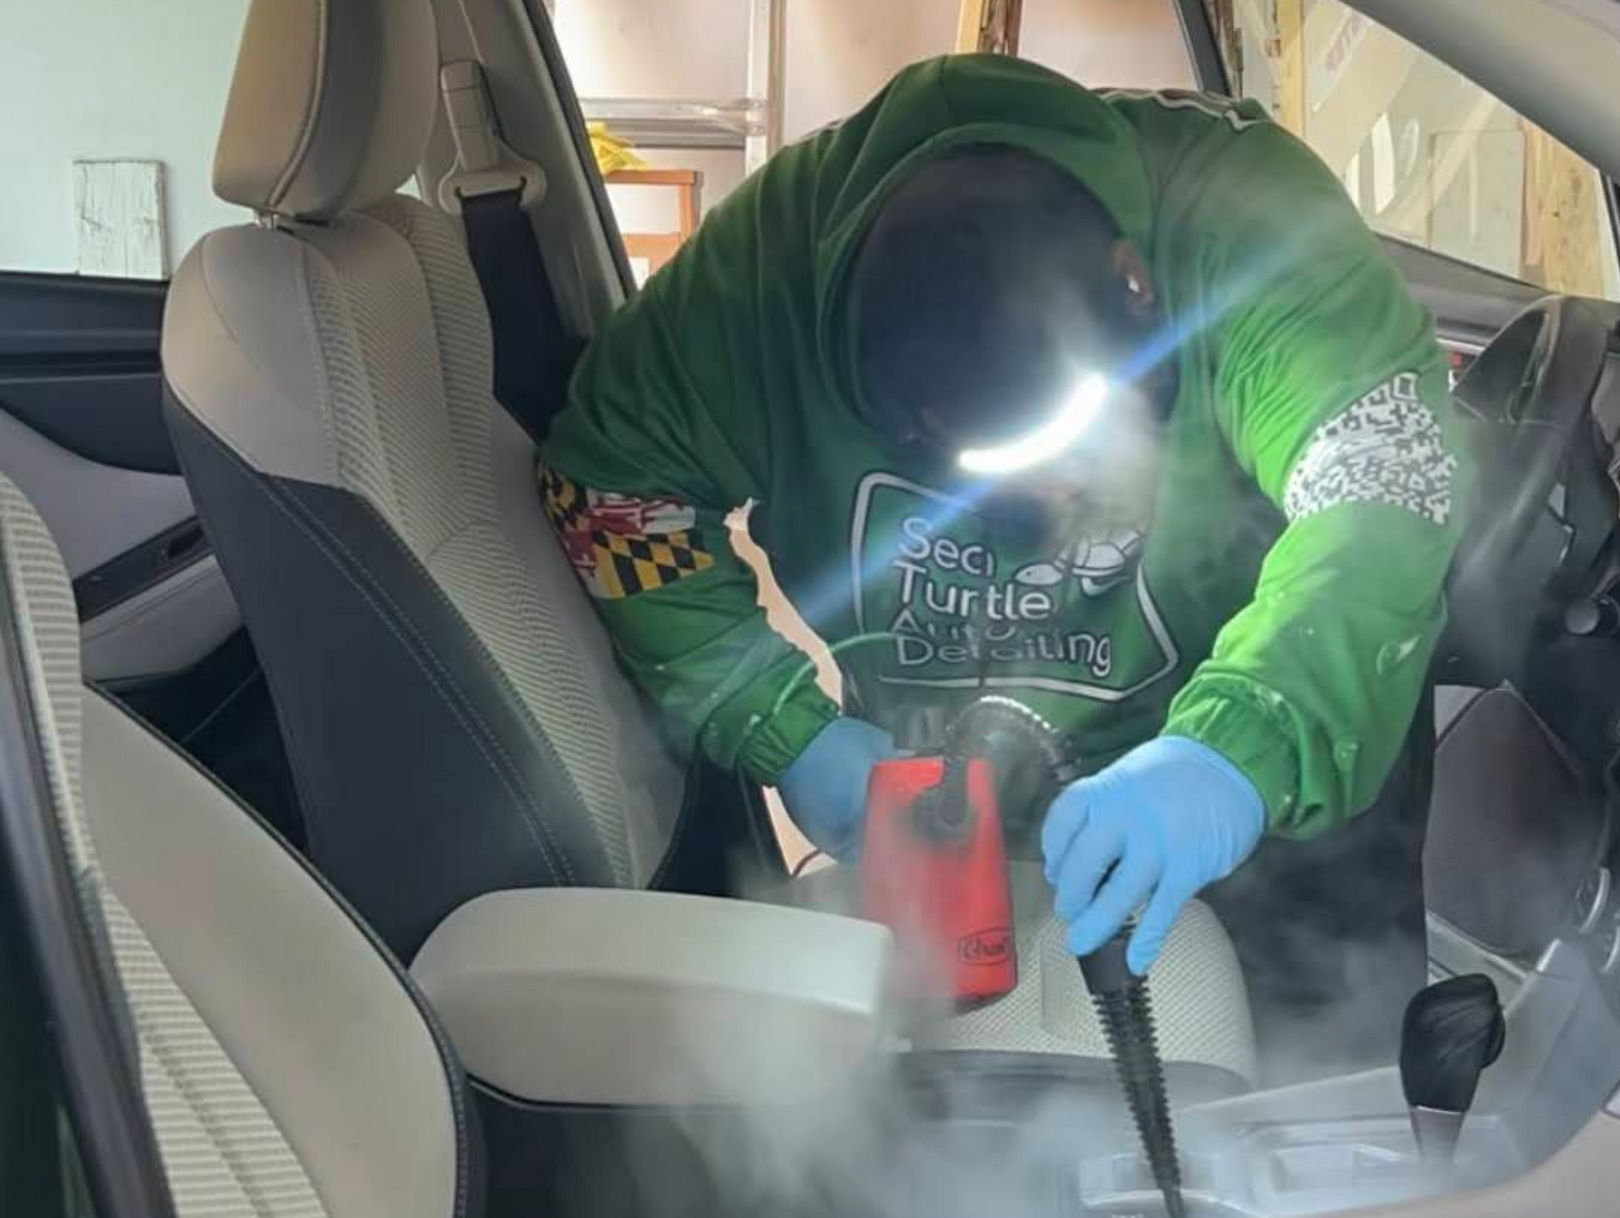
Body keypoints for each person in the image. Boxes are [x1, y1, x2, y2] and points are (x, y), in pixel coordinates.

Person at [540, 53, 1463, 1003]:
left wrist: (1242, 747)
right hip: (962, 819)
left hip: (1266, 777)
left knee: (1331, 1065)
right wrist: (782, 726)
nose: (1059, 502)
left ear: (1136, 282)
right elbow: (610, 493)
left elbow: (1386, 483)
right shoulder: (755, 293)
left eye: (1077, 446)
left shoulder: (1243, 225)